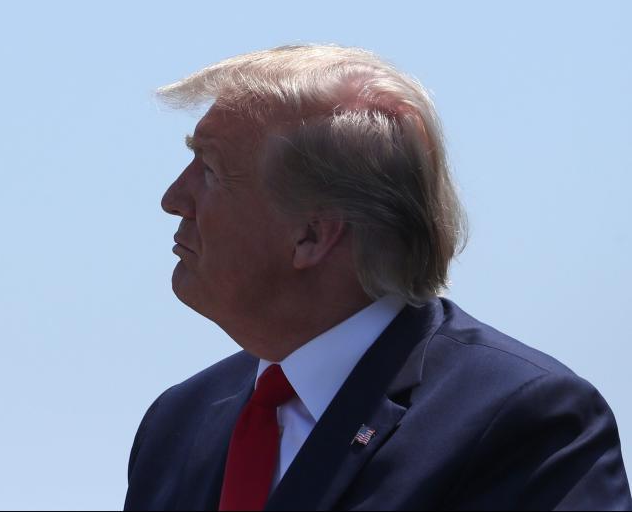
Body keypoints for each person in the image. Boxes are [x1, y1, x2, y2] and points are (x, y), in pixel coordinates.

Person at [123, 45, 631, 511]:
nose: (174, 198)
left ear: (312, 236)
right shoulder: (178, 425)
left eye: (209, 169)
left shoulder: (526, 422)